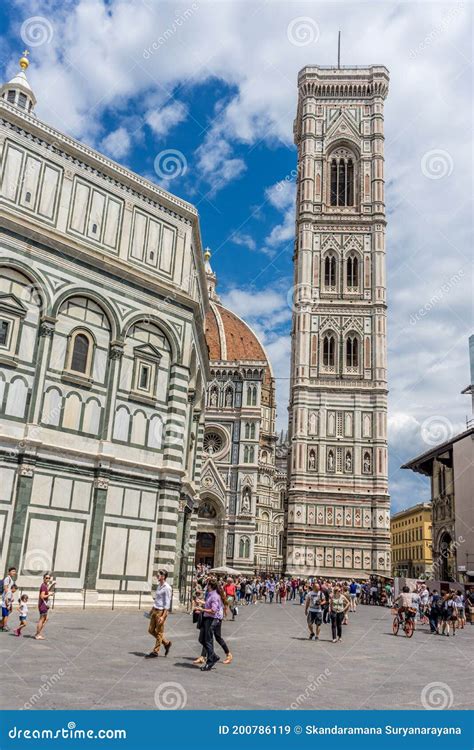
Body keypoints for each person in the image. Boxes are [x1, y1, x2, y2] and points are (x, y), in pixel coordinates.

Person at [196, 579, 232, 671]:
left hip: (212, 619)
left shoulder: (215, 596)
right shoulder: (211, 594)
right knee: (202, 639)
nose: (206, 587)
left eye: (207, 585)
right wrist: (202, 603)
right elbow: (209, 605)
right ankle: (213, 656)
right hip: (208, 618)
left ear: (210, 586)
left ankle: (210, 661)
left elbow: (213, 610)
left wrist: (202, 610)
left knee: (208, 640)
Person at [145, 569, 172, 658]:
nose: (157, 576)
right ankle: (166, 643)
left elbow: (167, 603)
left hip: (161, 612)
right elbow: (157, 600)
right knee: (151, 630)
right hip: (155, 610)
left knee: (159, 632)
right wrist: (151, 610)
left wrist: (163, 616)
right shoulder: (159, 586)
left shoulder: (167, 588)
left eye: (158, 575)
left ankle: (155, 651)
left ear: (163, 576)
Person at [35, 572, 55, 640]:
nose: (48, 579)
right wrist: (49, 595)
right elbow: (42, 596)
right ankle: (37, 634)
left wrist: (52, 586)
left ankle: (38, 633)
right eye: (46, 578)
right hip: (43, 605)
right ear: (43, 578)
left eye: (49, 578)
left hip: (43, 605)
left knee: (45, 619)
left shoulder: (45, 585)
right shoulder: (43, 586)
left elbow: (46, 591)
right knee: (41, 619)